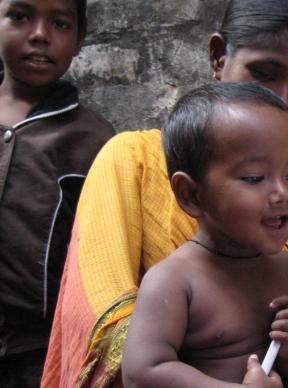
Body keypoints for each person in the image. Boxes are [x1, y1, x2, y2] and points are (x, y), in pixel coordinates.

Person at [41, 1, 288, 387]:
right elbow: (109, 319)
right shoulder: (134, 162)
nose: (282, 99)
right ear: (218, 56)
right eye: (263, 73)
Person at [122, 82, 288, 387]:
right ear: (192, 196)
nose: (282, 194)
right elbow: (142, 373)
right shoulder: (173, 280)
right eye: (254, 178)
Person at [0, 0, 113, 386]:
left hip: (38, 349)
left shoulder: (94, 141)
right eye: (19, 16)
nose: (39, 35)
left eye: (60, 24)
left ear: (79, 39)